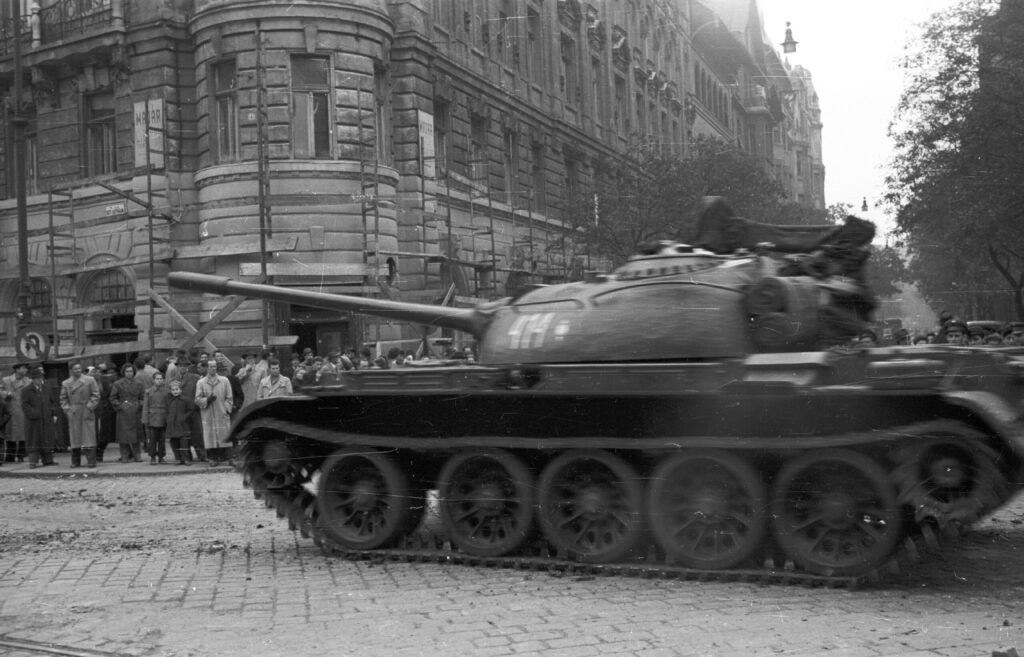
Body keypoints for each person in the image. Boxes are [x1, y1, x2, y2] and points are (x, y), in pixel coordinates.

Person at [59, 361, 101, 468]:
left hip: (86, 410)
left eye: (79, 368)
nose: (78, 370)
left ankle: (91, 461)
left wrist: (90, 407)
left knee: (89, 437)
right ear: (71, 370)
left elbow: (96, 395)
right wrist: (68, 410)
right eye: (75, 369)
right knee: (75, 437)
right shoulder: (66, 383)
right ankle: (75, 462)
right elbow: (63, 399)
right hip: (74, 412)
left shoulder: (90, 380)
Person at [195, 358, 233, 465]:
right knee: (210, 435)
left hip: (221, 412)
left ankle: (228, 458)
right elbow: (197, 399)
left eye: (214, 366)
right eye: (210, 366)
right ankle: (212, 458)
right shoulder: (201, 382)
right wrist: (207, 400)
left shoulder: (224, 380)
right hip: (208, 414)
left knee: (224, 433)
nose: (213, 369)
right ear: (207, 368)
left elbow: (229, 397)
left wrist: (226, 409)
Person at [109, 362, 145, 463]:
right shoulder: (118, 384)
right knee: (123, 436)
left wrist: (138, 405)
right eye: (127, 371)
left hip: (135, 412)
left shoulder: (139, 384)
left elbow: (143, 398)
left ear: (134, 372)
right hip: (123, 413)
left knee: (136, 436)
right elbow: (112, 398)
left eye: (131, 371)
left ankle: (137, 455)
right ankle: (124, 455)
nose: (129, 373)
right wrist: (121, 406)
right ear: (123, 372)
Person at [22, 366, 57, 469]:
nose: (39, 380)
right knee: (34, 440)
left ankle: (48, 460)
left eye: (40, 378)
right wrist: (34, 414)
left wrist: (53, 413)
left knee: (47, 439)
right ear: (32, 379)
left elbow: (52, 402)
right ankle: (33, 462)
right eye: (36, 378)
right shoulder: (26, 390)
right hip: (33, 421)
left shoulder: (47, 389)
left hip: (46, 419)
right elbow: (25, 405)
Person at [141, 371, 170, 464]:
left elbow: (168, 406)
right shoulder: (148, 392)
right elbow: (145, 406)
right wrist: (145, 419)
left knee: (162, 439)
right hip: (152, 418)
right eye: (157, 379)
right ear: (153, 380)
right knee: (152, 440)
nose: (159, 381)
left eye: (161, 379)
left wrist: (168, 418)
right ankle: (152, 457)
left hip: (163, 418)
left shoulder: (166, 392)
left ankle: (161, 457)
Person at [165, 379, 196, 465]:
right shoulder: (169, 400)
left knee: (184, 442)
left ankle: (185, 458)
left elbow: (191, 410)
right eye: (173, 390)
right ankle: (177, 458)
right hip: (172, 424)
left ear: (180, 390)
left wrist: (184, 417)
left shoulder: (185, 400)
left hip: (182, 424)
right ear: (171, 391)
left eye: (177, 389)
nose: (175, 391)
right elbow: (167, 411)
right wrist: (168, 419)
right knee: (173, 441)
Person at [95, 362, 117, 462]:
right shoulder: (102, 380)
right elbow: (102, 394)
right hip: (106, 409)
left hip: (112, 408)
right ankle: (98, 454)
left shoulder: (110, 380)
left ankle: (99, 454)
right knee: (105, 434)